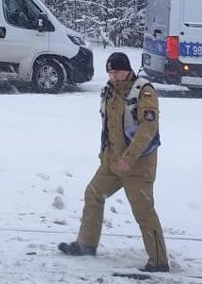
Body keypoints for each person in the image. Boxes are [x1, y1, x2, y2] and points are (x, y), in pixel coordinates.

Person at [58, 52, 169, 274]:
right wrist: (105, 155)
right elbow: (108, 126)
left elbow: (148, 130)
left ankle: (159, 261)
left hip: (138, 165)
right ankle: (86, 244)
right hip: (112, 162)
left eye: (116, 71)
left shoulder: (143, 92)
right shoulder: (109, 91)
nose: (113, 76)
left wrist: (128, 160)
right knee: (93, 193)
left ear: (127, 70)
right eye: (109, 72)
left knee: (143, 211)